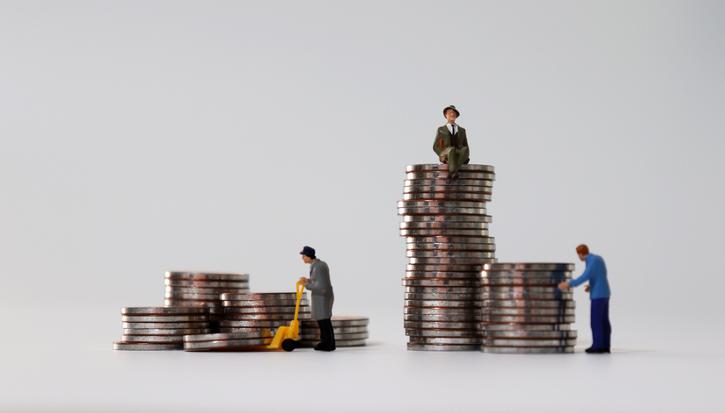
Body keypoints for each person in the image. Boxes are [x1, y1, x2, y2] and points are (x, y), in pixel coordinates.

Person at [558, 244, 612, 354]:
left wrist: (568, 284)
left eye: (578, 255)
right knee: (604, 321)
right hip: (605, 293)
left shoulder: (591, 261)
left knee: (595, 321)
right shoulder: (598, 258)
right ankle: (605, 345)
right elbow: (600, 275)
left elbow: (584, 277)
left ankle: (597, 346)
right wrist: (592, 286)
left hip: (597, 296)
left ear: (581, 254)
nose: (579, 257)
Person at [298, 246, 336, 351]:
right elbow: (317, 280)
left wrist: (306, 284)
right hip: (322, 296)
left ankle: (328, 344)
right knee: (324, 320)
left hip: (321, 296)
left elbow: (320, 286)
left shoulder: (317, 267)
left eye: (304, 256)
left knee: (324, 321)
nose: (303, 258)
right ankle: (328, 342)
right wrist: (308, 280)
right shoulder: (318, 265)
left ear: (309, 256)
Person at [433, 105, 470, 178]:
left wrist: (465, 154)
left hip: (458, 152)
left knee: (465, 149)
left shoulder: (462, 130)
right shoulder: (441, 129)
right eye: (450, 113)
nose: (452, 114)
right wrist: (441, 154)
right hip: (446, 152)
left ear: (456, 116)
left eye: (454, 113)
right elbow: (435, 146)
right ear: (446, 115)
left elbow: (466, 146)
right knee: (451, 149)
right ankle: (454, 170)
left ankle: (453, 171)